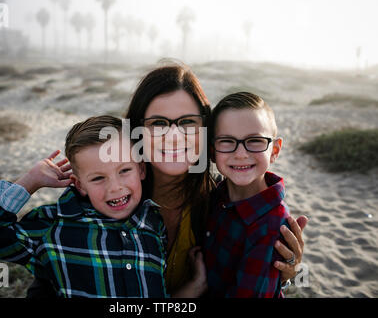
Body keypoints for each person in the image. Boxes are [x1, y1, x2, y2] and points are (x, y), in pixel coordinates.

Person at [27, 62, 308, 297]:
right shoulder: (108, 195)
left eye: (187, 123)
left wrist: (286, 272)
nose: (174, 137)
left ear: (205, 133)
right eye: (159, 124)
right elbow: (49, 280)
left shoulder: (218, 203)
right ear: (136, 132)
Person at [0, 115, 203, 297]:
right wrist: (29, 182)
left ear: (141, 169)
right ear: (79, 185)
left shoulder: (153, 223)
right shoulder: (52, 226)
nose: (115, 187)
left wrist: (194, 287)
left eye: (124, 171)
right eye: (98, 178)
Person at [204, 91, 292, 297]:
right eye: (226, 141)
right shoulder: (216, 195)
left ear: (275, 150)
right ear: (212, 152)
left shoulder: (271, 228)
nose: (241, 153)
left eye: (254, 140)